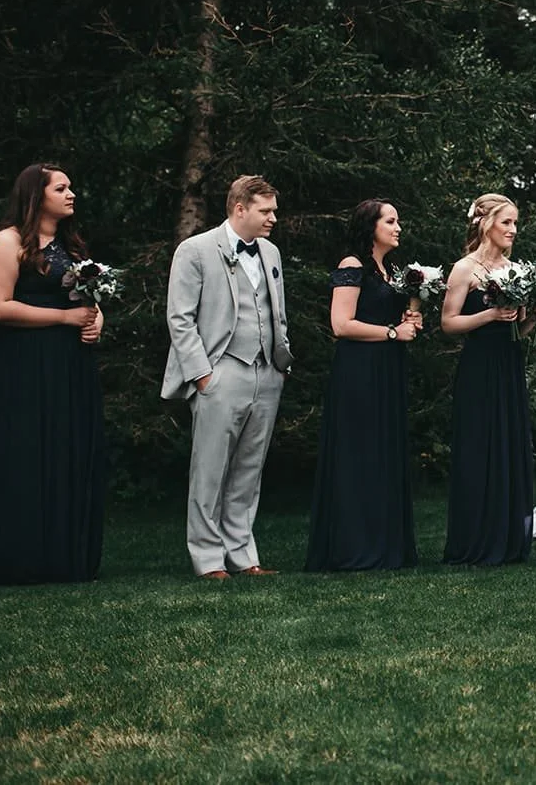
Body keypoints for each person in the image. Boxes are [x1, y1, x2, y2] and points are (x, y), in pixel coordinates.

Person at [0, 163, 107, 584]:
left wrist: (96, 318)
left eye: (72, 186)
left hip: (70, 366)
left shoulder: (72, 246)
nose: (72, 194)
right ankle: (23, 557)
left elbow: (86, 298)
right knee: (29, 449)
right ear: (37, 195)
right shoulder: (8, 242)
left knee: (68, 447)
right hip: (26, 365)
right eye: (62, 187)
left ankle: (66, 554)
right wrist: (66, 319)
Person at [162, 174, 293, 580]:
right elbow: (180, 318)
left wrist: (281, 362)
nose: (273, 217)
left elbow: (276, 311)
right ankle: (207, 559)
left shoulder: (269, 252)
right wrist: (203, 375)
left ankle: (242, 555)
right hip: (220, 371)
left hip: (266, 373)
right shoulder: (196, 250)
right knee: (210, 470)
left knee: (249, 470)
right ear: (240, 208)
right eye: (265, 210)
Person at [305, 200, 422, 571]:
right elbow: (341, 324)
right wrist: (392, 331)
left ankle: (385, 546)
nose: (398, 227)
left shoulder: (390, 271)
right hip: (359, 372)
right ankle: (354, 548)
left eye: (398, 221)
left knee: (383, 452)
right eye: (390, 221)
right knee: (359, 453)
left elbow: (385, 317)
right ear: (370, 226)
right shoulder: (351, 266)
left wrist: (406, 321)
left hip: (387, 369)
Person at [441, 193, 536, 566]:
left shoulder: (515, 269)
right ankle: (474, 540)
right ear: (485, 223)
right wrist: (488, 316)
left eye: (515, 223)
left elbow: (517, 327)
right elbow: (448, 323)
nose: (513, 230)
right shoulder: (464, 269)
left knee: (508, 444)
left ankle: (508, 540)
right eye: (506, 222)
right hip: (479, 366)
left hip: (509, 365)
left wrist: (535, 317)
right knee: (479, 446)